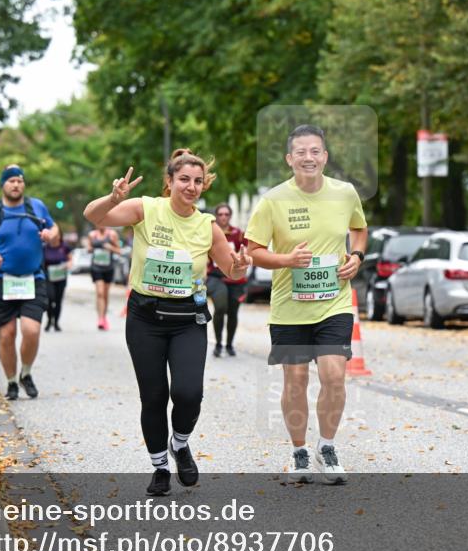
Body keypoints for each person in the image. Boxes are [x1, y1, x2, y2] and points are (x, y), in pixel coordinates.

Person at [83, 148, 251, 497]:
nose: (191, 186)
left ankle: (181, 442)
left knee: (188, 393)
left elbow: (229, 270)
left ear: (204, 186)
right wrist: (113, 198)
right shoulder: (146, 209)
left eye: (198, 181)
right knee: (154, 396)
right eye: (184, 179)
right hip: (145, 317)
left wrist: (241, 264)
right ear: (170, 182)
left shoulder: (208, 226)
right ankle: (160, 466)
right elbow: (94, 217)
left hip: (188, 318)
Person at [245, 124, 368, 485]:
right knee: (295, 380)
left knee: (334, 375)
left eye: (315, 151)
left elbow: (359, 228)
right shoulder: (273, 200)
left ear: (325, 157)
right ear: (290, 158)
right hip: (289, 306)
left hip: (334, 302)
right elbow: (254, 250)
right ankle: (299, 452)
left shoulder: (345, 194)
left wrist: (357, 255)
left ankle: (326, 447)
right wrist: (286, 261)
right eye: (301, 152)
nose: (309, 158)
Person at [0, 164, 59, 401]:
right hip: (3, 280)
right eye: (11, 181)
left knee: (31, 331)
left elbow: (54, 230)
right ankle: (11, 381)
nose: (16, 184)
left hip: (34, 279)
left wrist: (51, 235)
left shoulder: (37, 206)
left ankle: (26, 373)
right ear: (3, 184)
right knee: (6, 335)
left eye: (20, 181)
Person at [207, 203, 247, 357]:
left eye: (226, 214)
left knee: (233, 312)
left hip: (235, 281)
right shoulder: (211, 232)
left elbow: (246, 253)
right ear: (216, 216)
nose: (223, 217)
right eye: (220, 214)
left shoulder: (238, 234)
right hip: (216, 278)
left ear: (230, 216)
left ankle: (229, 344)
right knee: (221, 307)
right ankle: (218, 343)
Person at [85, 223, 121, 330]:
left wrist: (110, 247)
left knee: (105, 295)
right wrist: (91, 249)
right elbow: (88, 248)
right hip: (96, 267)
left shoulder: (112, 234)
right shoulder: (92, 235)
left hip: (108, 268)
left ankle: (104, 317)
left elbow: (119, 250)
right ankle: (100, 318)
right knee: (99, 293)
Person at [43, 232, 72, 332]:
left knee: (58, 301)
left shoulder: (64, 247)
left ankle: (56, 323)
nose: (55, 237)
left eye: (57, 235)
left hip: (61, 277)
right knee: (50, 299)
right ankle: (49, 320)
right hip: (48, 277)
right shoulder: (45, 247)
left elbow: (70, 259)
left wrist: (68, 264)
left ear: (60, 235)